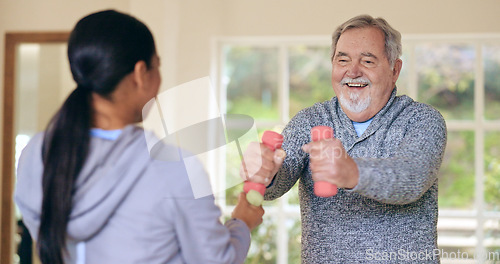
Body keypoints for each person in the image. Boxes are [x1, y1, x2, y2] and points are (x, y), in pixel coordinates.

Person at [14, 10, 264, 264]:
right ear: (140, 73)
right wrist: (242, 222)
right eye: (158, 65)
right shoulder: (174, 169)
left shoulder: (37, 153)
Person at [240, 14, 447, 263]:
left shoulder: (422, 120)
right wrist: (265, 171)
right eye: (342, 59)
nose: (353, 71)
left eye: (368, 61)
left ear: (395, 70)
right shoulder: (310, 120)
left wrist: (351, 172)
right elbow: (278, 179)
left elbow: (411, 177)